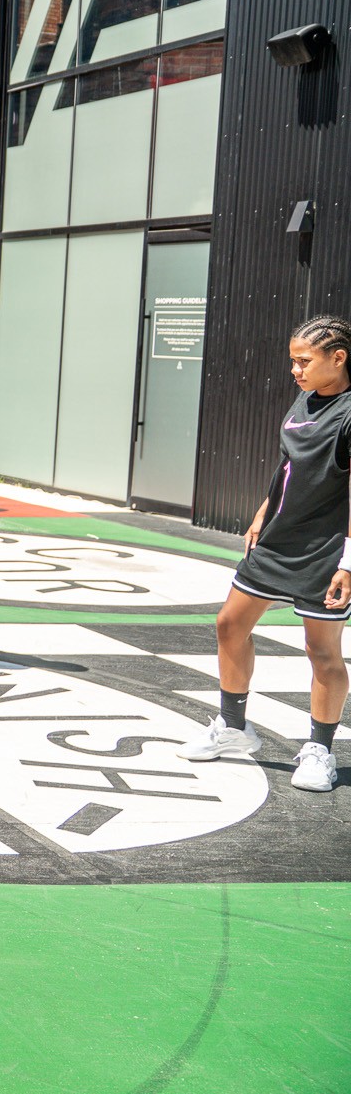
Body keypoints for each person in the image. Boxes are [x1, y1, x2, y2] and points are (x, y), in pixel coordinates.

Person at [175, 315, 351, 793]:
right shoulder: (306, 396)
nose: (295, 370)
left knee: (321, 651)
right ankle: (233, 727)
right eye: (293, 361)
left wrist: (348, 563)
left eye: (304, 361)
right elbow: (290, 464)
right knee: (230, 625)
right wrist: (262, 511)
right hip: (277, 538)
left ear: (338, 358)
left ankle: (320, 750)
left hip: (325, 549)